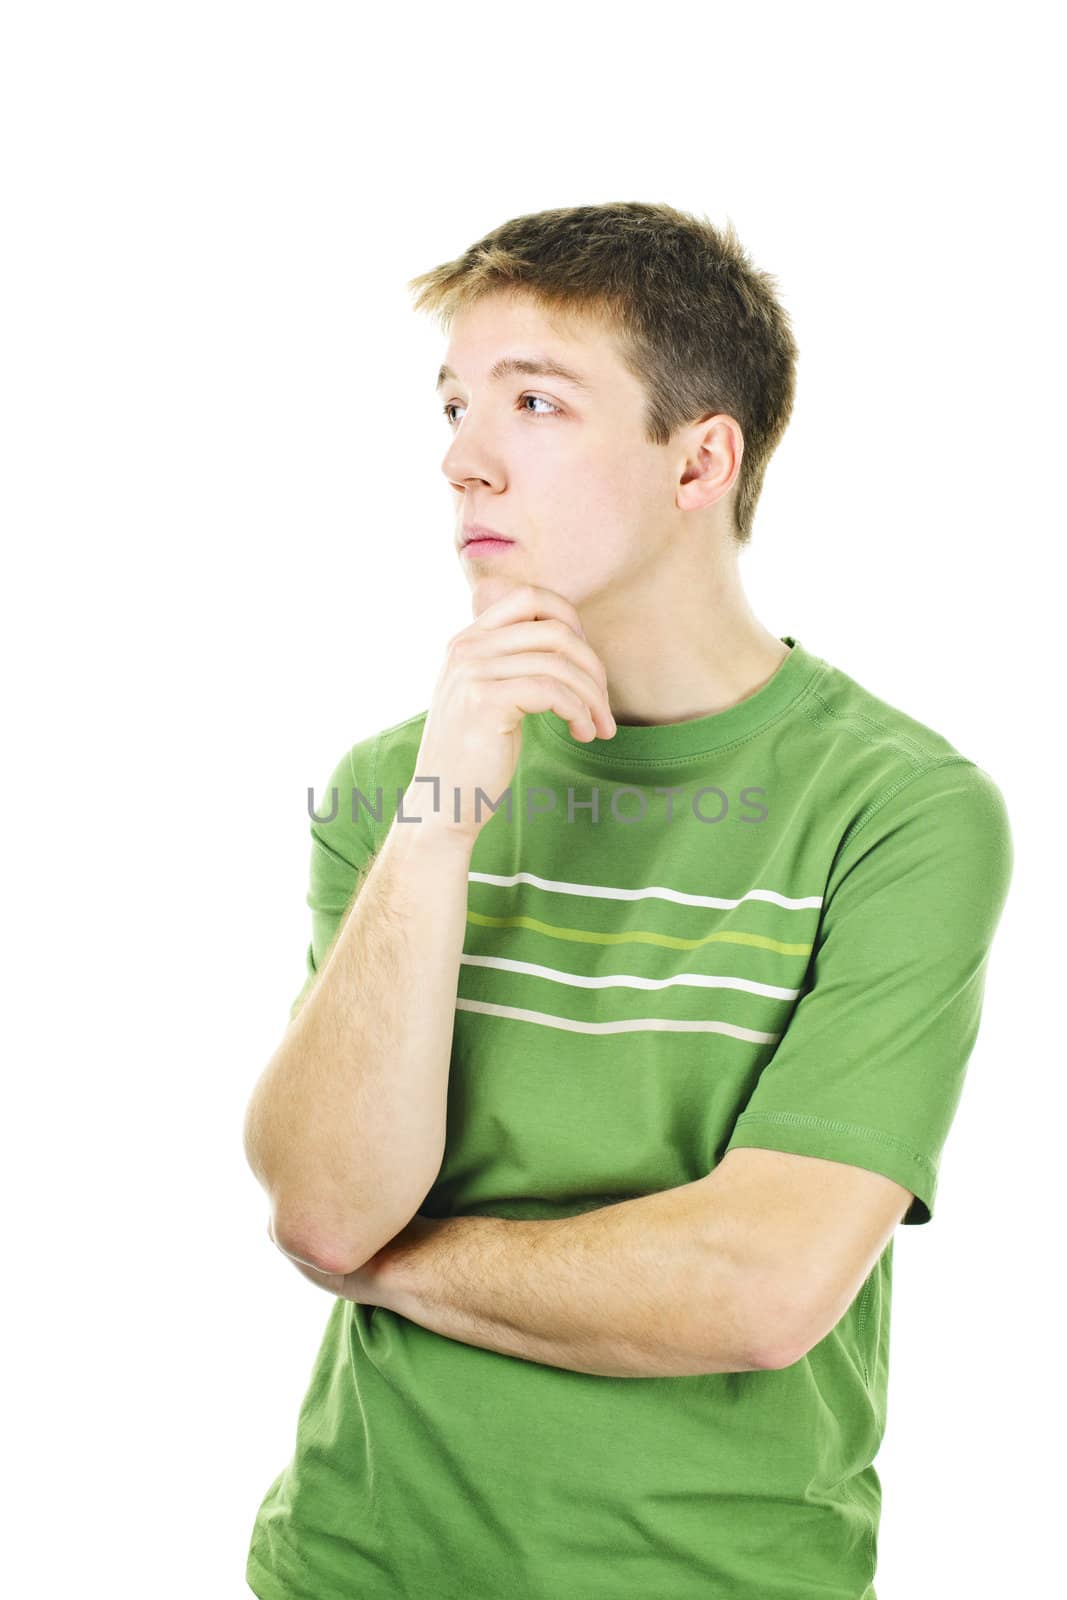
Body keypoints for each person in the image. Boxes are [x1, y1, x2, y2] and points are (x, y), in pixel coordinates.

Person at [242, 201, 1013, 1600]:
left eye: (534, 402)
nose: (463, 460)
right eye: (457, 404)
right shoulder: (393, 786)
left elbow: (759, 1287)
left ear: (699, 459)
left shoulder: (901, 813)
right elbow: (322, 1201)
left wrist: (396, 1269)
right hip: (356, 1571)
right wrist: (438, 826)